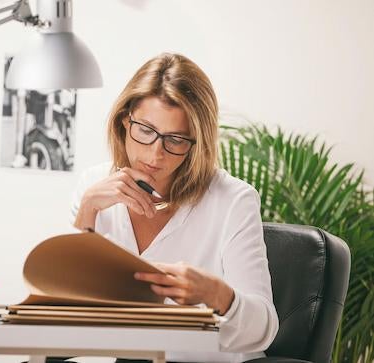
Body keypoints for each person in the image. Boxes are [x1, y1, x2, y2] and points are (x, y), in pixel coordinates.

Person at [71, 53, 279, 362]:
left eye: (176, 140)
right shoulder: (94, 186)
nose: (156, 154)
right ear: (124, 121)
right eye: (145, 131)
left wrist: (216, 294)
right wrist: (86, 212)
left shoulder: (234, 200)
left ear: (198, 142)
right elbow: (68, 312)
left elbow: (263, 329)